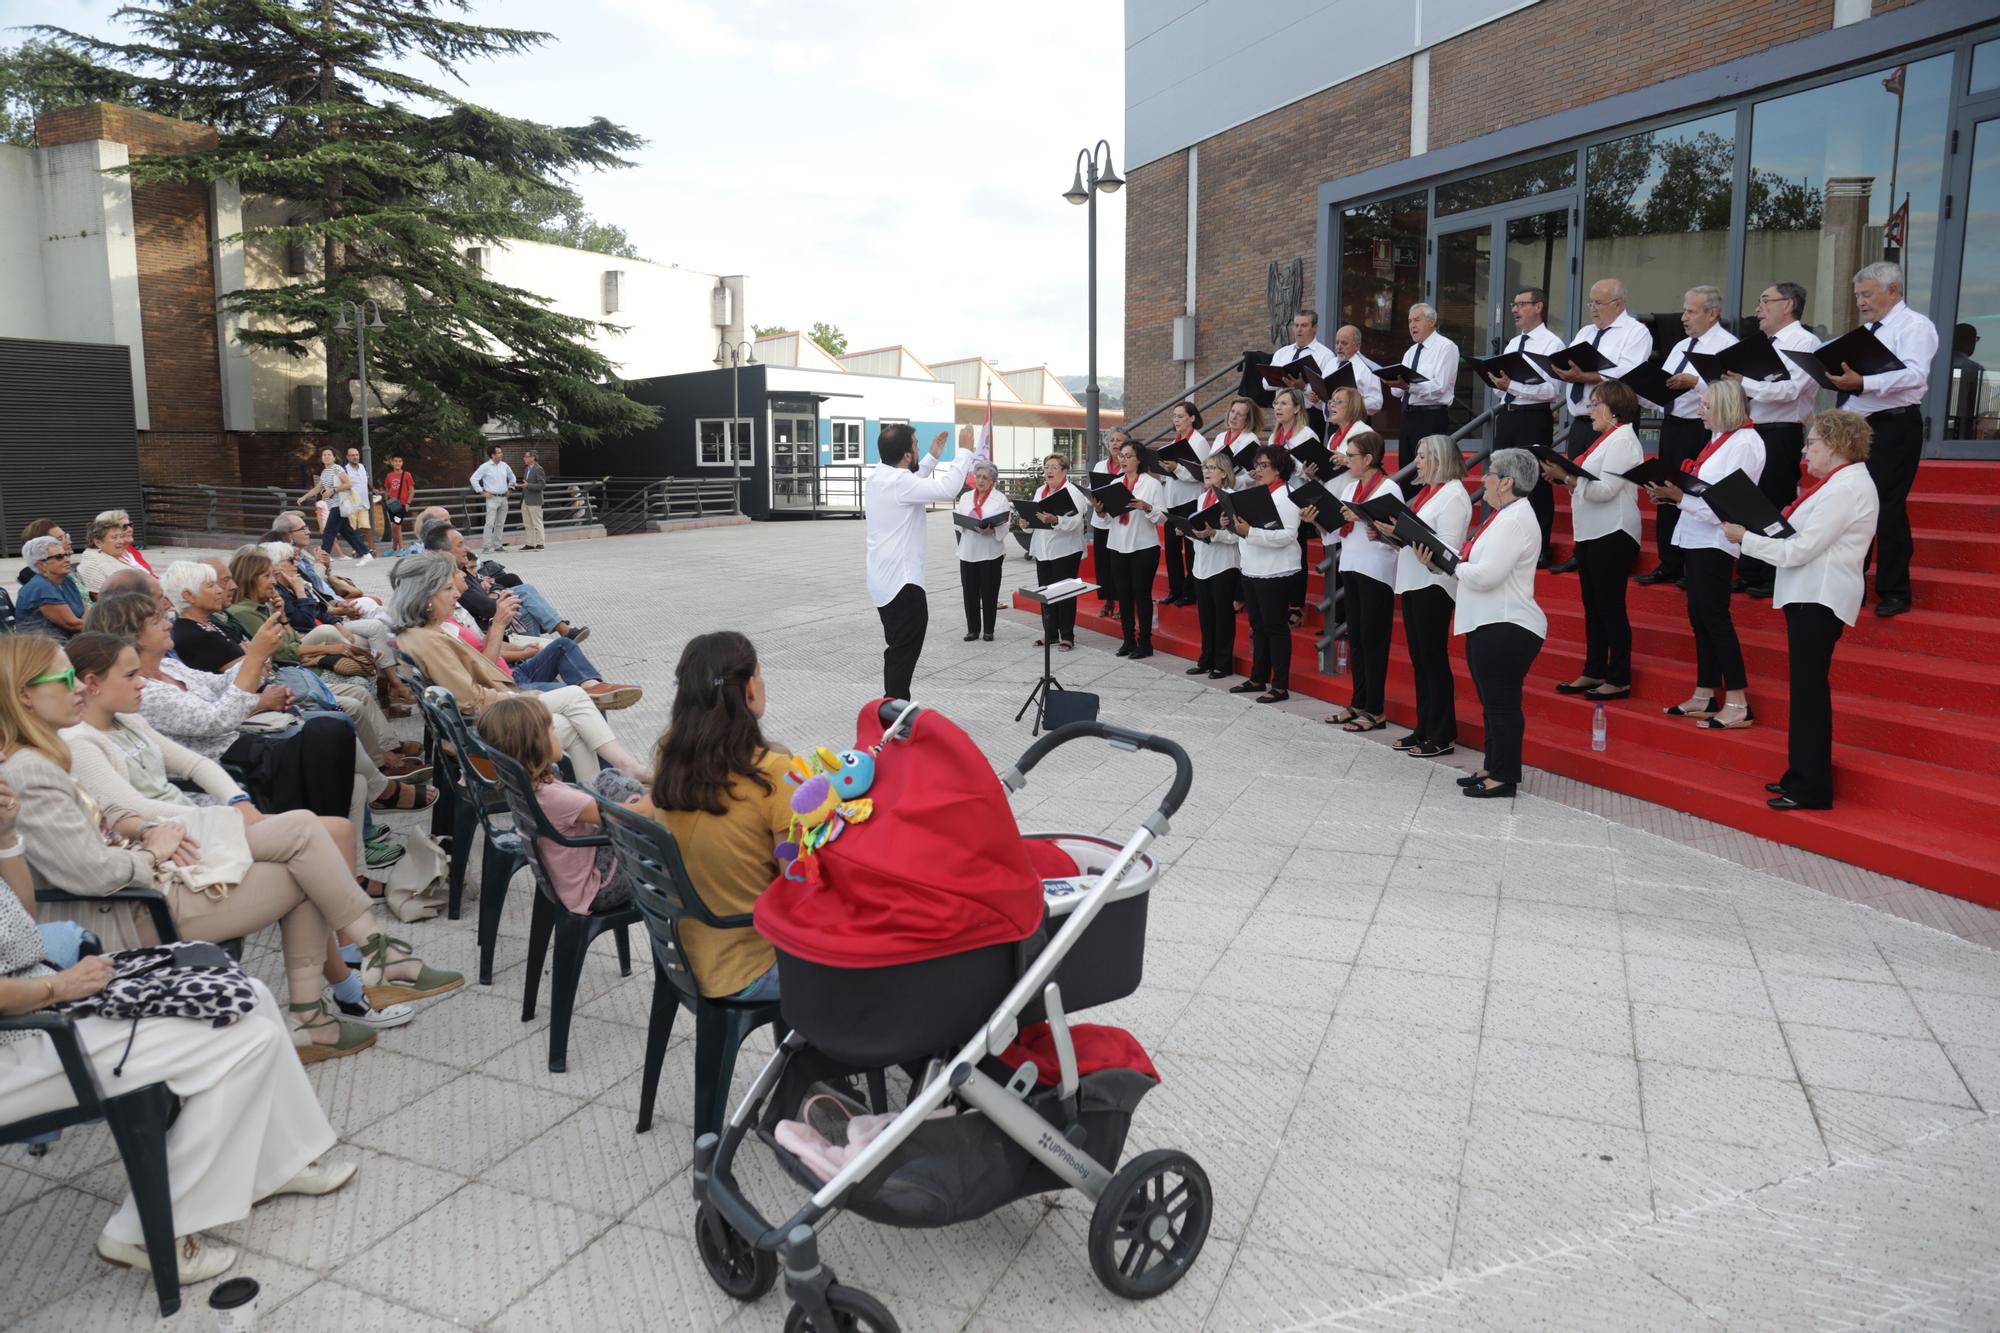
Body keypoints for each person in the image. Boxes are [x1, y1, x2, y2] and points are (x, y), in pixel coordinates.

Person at [2, 635, 456, 1058]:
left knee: (307, 853)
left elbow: (114, 814)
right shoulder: (37, 766)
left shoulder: (50, 752)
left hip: (153, 875)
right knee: (305, 841)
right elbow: (94, 873)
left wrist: (144, 829)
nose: (76, 689)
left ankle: (328, 1005)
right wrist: (153, 847)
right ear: (24, 694)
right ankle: (352, 980)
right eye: (65, 680)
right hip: (128, 911)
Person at [0, 854, 355, 1284]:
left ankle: (276, 1162)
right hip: (23, 1044)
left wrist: (5, 841)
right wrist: (60, 986)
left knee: (252, 993)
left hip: (42, 1009)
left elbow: (21, 929)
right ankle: (141, 1232)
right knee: (247, 1039)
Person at [1725, 411, 1880, 811]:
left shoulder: (1846, 488)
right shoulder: (1836, 484)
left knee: (1810, 693)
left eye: (1811, 442)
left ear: (1836, 444)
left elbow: (1800, 550)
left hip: (1820, 596)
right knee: (1805, 691)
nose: (1805, 450)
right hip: (1811, 593)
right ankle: (1800, 774)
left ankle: (1812, 787)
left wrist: (1747, 540)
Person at [389, 553, 651, 781]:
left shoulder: (421, 633)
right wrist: (518, 697)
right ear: (425, 597)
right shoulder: (428, 640)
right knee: (577, 702)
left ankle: (599, 798)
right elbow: (469, 700)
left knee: (574, 711)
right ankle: (611, 786)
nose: (457, 593)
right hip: (483, 729)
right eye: (447, 589)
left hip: (477, 721)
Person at [644, 632, 793, 1001]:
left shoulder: (669, 755)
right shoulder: (773, 773)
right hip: (750, 964)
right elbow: (797, 882)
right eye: (759, 675)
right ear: (749, 689)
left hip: (686, 951)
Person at [1417, 448, 1544, 798]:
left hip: (1507, 624)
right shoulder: (1505, 516)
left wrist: (1449, 566)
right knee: (1493, 704)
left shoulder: (1514, 519)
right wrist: (1441, 563)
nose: (1484, 478)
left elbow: (1487, 575)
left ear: (1507, 482)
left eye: (1490, 473)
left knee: (1502, 704)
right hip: (1490, 621)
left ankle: (1504, 777)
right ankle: (1493, 766)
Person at [1643, 380, 1765, 730]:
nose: (1699, 411)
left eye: (1706, 406)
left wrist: (1680, 498)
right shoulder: (1720, 439)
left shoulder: (1744, 443)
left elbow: (1728, 504)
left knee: (1715, 618)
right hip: (1697, 535)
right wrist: (1672, 494)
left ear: (1726, 407)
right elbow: (1704, 491)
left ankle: (1738, 700)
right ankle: (1705, 693)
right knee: (1700, 618)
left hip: (1716, 539)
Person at [1824, 261, 1936, 619]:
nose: (1860, 302)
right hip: (1861, 425)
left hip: (1894, 426)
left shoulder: (1915, 326)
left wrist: (1863, 383)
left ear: (1892, 290)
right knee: (1854, 505)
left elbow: (1915, 375)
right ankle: (1852, 584)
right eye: (1857, 295)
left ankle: (1893, 590)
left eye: (1867, 294)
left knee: (1886, 506)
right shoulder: (1868, 331)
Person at [476, 694, 640, 913]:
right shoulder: (554, 798)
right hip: (597, 890)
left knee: (608, 777)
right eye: (553, 729)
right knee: (630, 794)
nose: (557, 734)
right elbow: (630, 816)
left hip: (564, 883)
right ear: (537, 742)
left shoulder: (525, 784)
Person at [1549, 381, 1645, 701]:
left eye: (1594, 404)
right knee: (1592, 605)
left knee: (1610, 605)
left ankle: (1618, 676)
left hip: (1613, 531)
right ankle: (1593, 669)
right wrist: (1566, 478)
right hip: (1591, 530)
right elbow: (1585, 487)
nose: (1589, 411)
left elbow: (1605, 491)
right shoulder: (1605, 440)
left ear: (1611, 407)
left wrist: (1567, 477)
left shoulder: (1623, 440)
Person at [1380, 434, 1471, 757]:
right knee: (1420, 660)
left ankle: (1442, 732)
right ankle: (1424, 727)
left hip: (1434, 585)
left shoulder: (1455, 495)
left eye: (1421, 455)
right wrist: (1391, 534)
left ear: (1438, 458)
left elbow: (1448, 547)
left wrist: (1407, 536)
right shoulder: (1427, 493)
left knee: (1433, 659)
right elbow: (1414, 536)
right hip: (1413, 580)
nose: (1416, 461)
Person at [864, 424, 970, 699]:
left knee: (898, 648)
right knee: (902, 652)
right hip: (903, 584)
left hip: (883, 580)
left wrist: (933, 456)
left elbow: (913, 483)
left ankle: (894, 705)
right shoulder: (900, 483)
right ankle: (895, 713)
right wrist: (965, 450)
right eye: (916, 444)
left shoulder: (879, 476)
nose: (918, 447)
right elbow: (948, 489)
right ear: (907, 455)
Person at [1642, 286, 1739, 585]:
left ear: (1712, 313)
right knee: (1666, 488)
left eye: (1691, 311)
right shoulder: (1681, 345)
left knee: (1695, 491)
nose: (1684, 317)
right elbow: (1666, 386)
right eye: (1684, 310)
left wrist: (1696, 382)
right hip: (1672, 424)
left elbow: (1733, 393)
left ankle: (1690, 565)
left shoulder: (1728, 345)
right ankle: (1668, 562)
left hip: (1703, 427)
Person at [1733, 282, 1820, 598]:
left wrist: (1745, 382)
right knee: (1749, 500)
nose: (1759, 308)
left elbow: (1789, 390)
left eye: (1765, 301)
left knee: (1774, 501)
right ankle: (1749, 570)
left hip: (1781, 431)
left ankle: (1771, 573)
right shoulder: (1762, 343)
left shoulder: (1804, 342)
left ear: (1788, 304)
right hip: (1752, 427)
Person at [1482, 287, 1566, 566]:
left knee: (1534, 482)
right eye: (1513, 305)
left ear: (1538, 307)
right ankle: (1504, 541)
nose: (1515, 310)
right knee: (1501, 477)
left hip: (1533, 418)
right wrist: (1499, 385)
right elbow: (1504, 387)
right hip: (1508, 416)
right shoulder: (1512, 344)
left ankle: (1541, 547)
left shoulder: (1551, 344)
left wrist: (1512, 386)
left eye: (1521, 304)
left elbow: (1552, 390)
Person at [1325, 428, 1402, 731]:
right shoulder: (1349, 488)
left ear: (1369, 458)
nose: (1348, 460)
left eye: (1352, 455)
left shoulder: (1388, 489)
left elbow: (1396, 535)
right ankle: (1358, 702)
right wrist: (1319, 518)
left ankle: (1375, 709)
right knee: (1356, 638)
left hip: (1377, 571)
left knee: (1374, 641)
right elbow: (1336, 528)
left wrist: (1366, 519)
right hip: (1353, 565)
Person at [1228, 446, 1303, 703]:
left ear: (1279, 468)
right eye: (1257, 466)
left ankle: (1280, 685)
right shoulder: (1259, 493)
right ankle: (1258, 677)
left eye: (1263, 466)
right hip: (1253, 567)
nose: (1257, 471)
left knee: (1275, 628)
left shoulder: (1287, 496)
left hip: (1276, 569)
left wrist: (1249, 532)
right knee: (1257, 626)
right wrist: (1234, 525)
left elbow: (1287, 535)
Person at [1552, 278, 1653, 458]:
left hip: (1613, 422)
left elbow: (1627, 372)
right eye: (1590, 303)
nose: (1593, 308)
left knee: (1607, 481)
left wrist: (1585, 377)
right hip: (1581, 421)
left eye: (1598, 303)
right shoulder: (1586, 332)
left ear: (1618, 304)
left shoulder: (1635, 332)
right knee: (1577, 481)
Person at [1092, 438, 1166, 659]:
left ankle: (1145, 643)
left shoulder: (1151, 484)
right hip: (1117, 545)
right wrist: (1100, 511)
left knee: (1141, 595)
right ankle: (1127, 640)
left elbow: (1162, 517)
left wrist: (1147, 507)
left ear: (1139, 459)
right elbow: (1107, 521)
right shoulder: (1115, 484)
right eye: (1121, 456)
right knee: (1123, 595)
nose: (1122, 460)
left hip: (1143, 546)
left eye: (1128, 456)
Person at [1018, 453, 1088, 651]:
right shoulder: (1040, 490)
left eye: (1054, 467)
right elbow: (1032, 520)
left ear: (1064, 470)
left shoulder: (1072, 492)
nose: (1049, 471)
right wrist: (1025, 523)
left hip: (1065, 550)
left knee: (1065, 593)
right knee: (1046, 593)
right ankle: (1050, 633)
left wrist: (1056, 519)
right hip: (1043, 549)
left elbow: (1076, 522)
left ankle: (1067, 636)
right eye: (1047, 466)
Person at [1184, 451, 1242, 678]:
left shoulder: (1231, 497)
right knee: (1206, 615)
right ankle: (1205, 659)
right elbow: (1200, 531)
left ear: (1224, 473)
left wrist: (1215, 533)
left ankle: (1223, 662)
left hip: (1224, 564)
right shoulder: (1202, 498)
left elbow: (1238, 536)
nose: (1206, 471)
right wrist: (1188, 531)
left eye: (1211, 468)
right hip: (1202, 563)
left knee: (1223, 616)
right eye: (1205, 467)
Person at [1270, 387, 1322, 626]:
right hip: (1275, 496)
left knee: (1296, 549)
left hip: (1298, 498)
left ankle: (1296, 604)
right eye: (1276, 403)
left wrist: (1295, 466)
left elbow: (1313, 470)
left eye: (1283, 403)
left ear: (1297, 408)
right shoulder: (1275, 435)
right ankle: (1280, 599)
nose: (1277, 408)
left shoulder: (1306, 435)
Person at [1390, 303, 1458, 471]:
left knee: (1429, 471)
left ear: (1431, 321)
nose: (1412, 325)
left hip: (1431, 417)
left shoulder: (1446, 347)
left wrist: (1409, 386)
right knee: (1406, 470)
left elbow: (1439, 387)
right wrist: (1393, 381)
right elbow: (1397, 392)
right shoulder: (1410, 352)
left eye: (1417, 320)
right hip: (1407, 416)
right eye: (1409, 321)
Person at [1156, 401, 1210, 608]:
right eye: (1174, 417)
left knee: (1190, 548)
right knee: (1171, 549)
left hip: (1190, 500)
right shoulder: (1174, 441)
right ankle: (1175, 589)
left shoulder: (1199, 442)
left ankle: (1190, 591)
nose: (1176, 420)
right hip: (1172, 500)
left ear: (1192, 418)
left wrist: (1176, 467)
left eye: (1180, 416)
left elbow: (1200, 474)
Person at [953, 460, 1009, 643]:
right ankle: (972, 629)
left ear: (992, 480)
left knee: (989, 592)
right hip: (968, 550)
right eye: (978, 476)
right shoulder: (966, 497)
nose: (981, 480)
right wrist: (963, 522)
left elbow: (1005, 524)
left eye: (985, 477)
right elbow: (958, 521)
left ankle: (989, 630)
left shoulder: (999, 498)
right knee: (969, 593)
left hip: (990, 552)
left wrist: (992, 530)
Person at [1270, 309, 1338, 435]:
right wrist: (1282, 380)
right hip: (1283, 413)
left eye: (1304, 325)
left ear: (1315, 328)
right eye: (1296, 325)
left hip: (1310, 414)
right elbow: (1265, 384)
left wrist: (1304, 387)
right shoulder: (1282, 353)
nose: (1299, 330)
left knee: (1307, 453)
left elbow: (1327, 391)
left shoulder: (1326, 355)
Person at [299, 447, 372, 563]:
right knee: (347, 532)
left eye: (329, 454)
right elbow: (318, 488)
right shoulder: (324, 472)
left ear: (334, 457)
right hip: (333, 505)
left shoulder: (337, 468)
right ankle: (365, 553)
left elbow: (348, 484)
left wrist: (333, 490)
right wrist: (304, 497)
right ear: (322, 458)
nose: (326, 457)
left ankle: (323, 557)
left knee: (329, 531)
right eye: (324, 455)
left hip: (339, 504)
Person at [14, 536, 86, 639]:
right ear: (41, 565)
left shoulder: (66, 581)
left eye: (66, 554)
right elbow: (73, 624)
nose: (67, 559)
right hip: (42, 649)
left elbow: (87, 613)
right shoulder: (40, 587)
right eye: (59, 557)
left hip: (70, 643)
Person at [1089, 430, 1123, 622]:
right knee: (1103, 564)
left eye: (1119, 440)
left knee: (1117, 564)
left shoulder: (1128, 465)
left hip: (1119, 521)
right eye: (1111, 440)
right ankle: (1108, 601)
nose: (1115, 443)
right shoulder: (1100, 465)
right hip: (1101, 519)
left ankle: (1121, 602)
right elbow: (1092, 489)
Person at [76, 513, 147, 598]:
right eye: (114, 537)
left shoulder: (114, 556)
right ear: (98, 542)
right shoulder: (94, 564)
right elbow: (107, 600)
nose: (121, 541)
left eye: (120, 536)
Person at [469, 445, 517, 553]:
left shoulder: (504, 465)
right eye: (499, 453)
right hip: (492, 498)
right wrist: (482, 492)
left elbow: (512, 477)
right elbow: (473, 479)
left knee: (500, 523)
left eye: (501, 452)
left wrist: (511, 488)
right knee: (490, 523)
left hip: (504, 498)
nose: (501, 454)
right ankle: (486, 546)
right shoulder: (485, 466)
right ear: (492, 455)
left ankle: (497, 545)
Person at [1332, 325, 1384, 417]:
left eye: (1344, 343)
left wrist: (1352, 405)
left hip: (1356, 423)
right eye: (1337, 343)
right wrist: (1317, 398)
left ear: (1357, 345)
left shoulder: (1367, 367)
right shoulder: (1331, 363)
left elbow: (1376, 402)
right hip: (1332, 423)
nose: (1339, 347)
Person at [380, 451, 416, 552]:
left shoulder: (406, 475)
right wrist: (387, 501)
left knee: (396, 525)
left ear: (402, 463)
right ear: (392, 463)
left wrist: (408, 503)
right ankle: (394, 547)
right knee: (395, 527)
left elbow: (412, 490)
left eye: (399, 461)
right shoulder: (389, 476)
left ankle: (402, 547)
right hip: (392, 504)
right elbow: (387, 490)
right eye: (395, 461)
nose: (397, 463)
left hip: (402, 504)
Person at [520, 449, 548, 549]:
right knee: (527, 523)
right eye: (524, 456)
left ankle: (540, 543)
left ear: (533, 458)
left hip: (535, 500)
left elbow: (542, 485)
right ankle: (530, 543)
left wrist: (528, 485)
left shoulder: (538, 469)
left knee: (537, 523)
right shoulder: (526, 469)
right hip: (526, 500)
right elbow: (526, 484)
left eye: (526, 456)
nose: (524, 458)